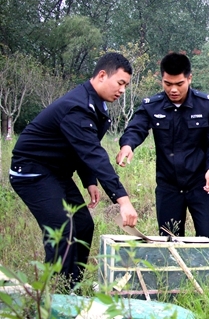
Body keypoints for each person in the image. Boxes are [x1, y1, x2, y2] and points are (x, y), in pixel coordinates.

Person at [9, 52, 139, 288]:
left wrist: (89, 181)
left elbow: (81, 146)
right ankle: (54, 293)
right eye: (120, 83)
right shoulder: (77, 107)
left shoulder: (95, 105)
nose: (122, 90)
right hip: (32, 171)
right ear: (102, 75)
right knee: (62, 230)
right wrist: (123, 201)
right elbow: (94, 154)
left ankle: (72, 287)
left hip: (56, 172)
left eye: (126, 86)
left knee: (83, 224)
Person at [117, 53, 209, 239]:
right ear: (162, 80)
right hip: (168, 187)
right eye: (168, 83)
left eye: (179, 84)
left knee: (208, 240)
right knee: (169, 240)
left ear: (189, 78)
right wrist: (128, 145)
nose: (173, 89)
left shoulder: (206, 105)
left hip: (200, 184)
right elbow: (136, 128)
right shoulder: (152, 106)